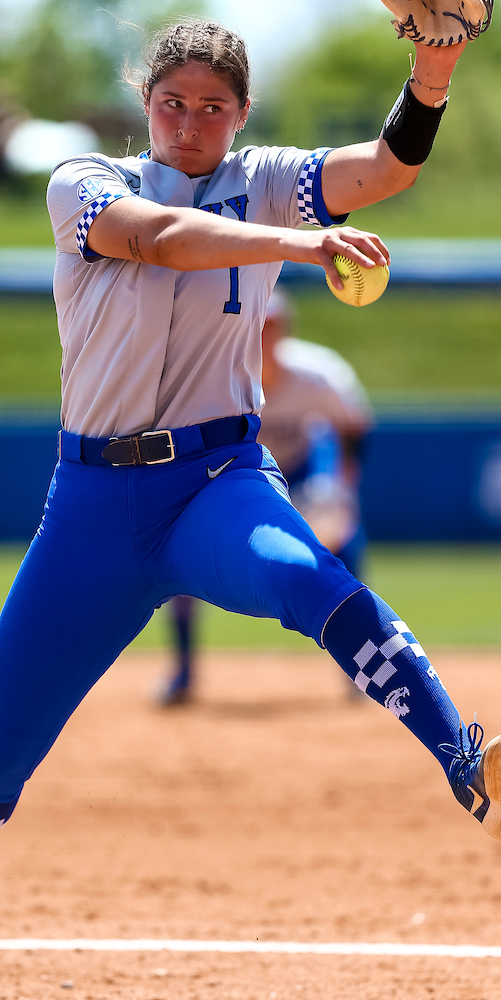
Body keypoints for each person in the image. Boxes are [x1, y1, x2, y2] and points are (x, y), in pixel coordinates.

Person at [0, 18, 501, 1000]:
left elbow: (384, 169)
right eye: (172, 103)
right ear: (145, 103)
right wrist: (300, 243)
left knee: (307, 578)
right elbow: (158, 240)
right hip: (95, 507)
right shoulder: (84, 179)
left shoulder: (266, 177)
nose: (190, 123)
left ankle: (461, 759)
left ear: (242, 114)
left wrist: (432, 74)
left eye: (214, 107)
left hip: (214, 481)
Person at [159, 287, 374, 705]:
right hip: (239, 471)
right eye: (260, 326)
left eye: (274, 327)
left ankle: (360, 664)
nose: (266, 335)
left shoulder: (319, 374)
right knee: (184, 549)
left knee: (345, 536)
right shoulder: (221, 376)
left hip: (299, 469)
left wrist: (346, 486)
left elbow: (355, 425)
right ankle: (183, 672)